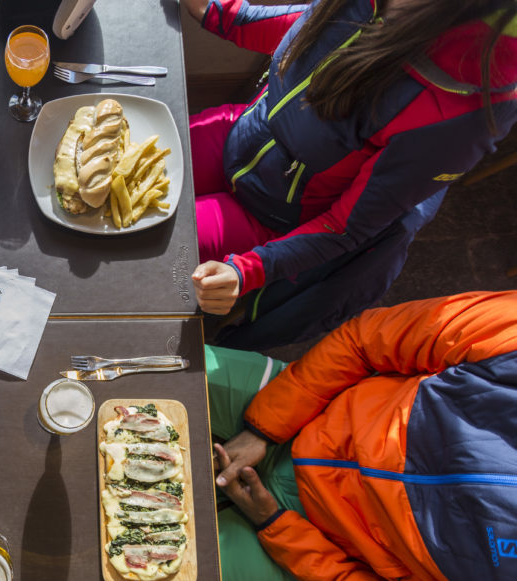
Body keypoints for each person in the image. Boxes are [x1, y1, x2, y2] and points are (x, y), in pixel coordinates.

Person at [206, 290, 517, 581]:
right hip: (303, 403)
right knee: (124, 364)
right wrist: (263, 427)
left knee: (132, 576)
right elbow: (367, 338)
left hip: (319, 547)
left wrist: (278, 527)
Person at [183, 0, 517, 346]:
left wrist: (247, 270)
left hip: (269, 217)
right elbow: (308, 30)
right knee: (123, 164)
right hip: (238, 132)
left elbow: (345, 226)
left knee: (142, 242)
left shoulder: (462, 108)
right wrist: (219, 13)